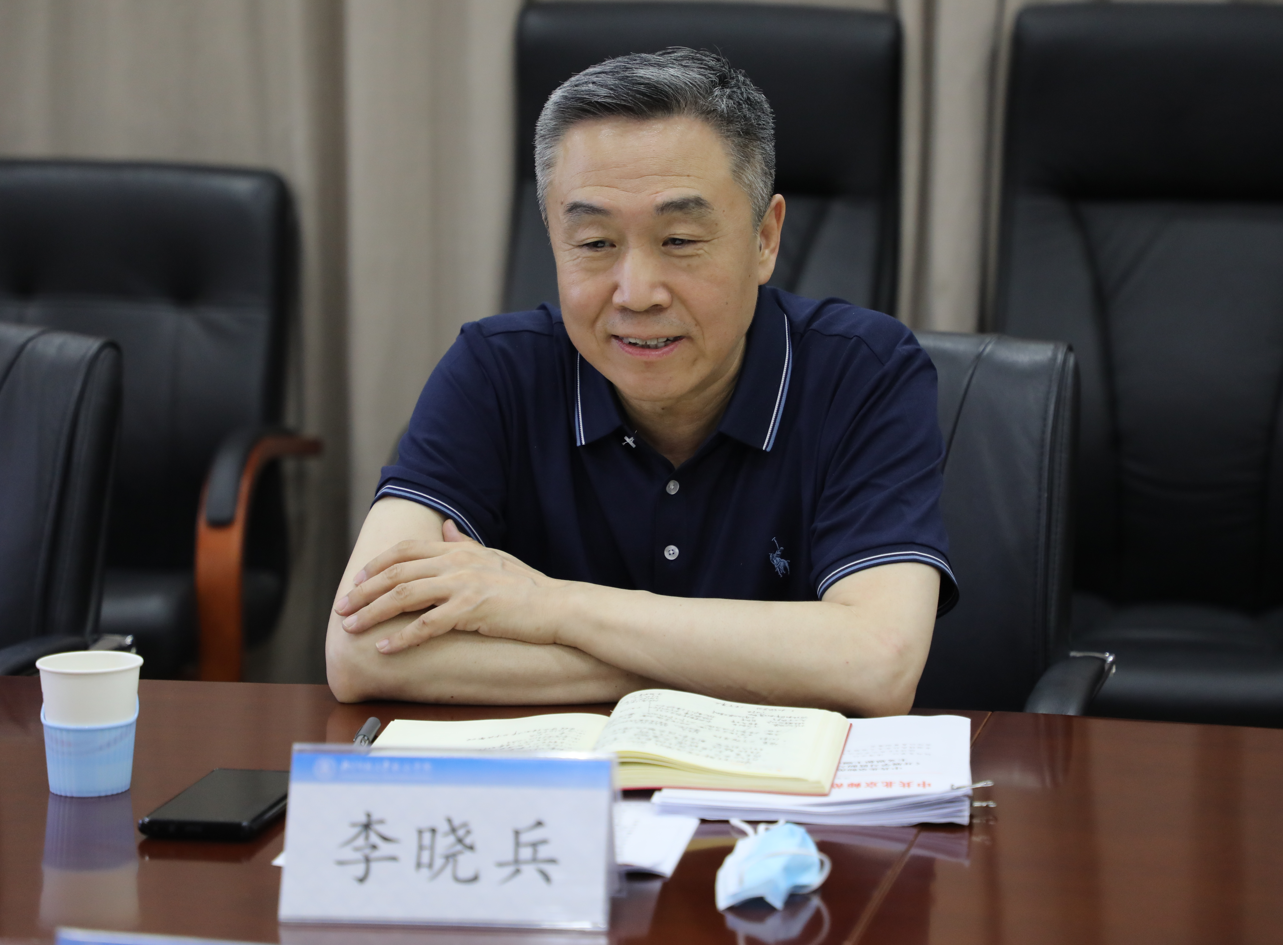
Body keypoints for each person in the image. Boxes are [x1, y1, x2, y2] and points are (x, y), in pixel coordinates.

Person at [326, 48, 956, 715]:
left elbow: (874, 661)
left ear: (765, 238)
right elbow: (363, 647)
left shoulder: (864, 369)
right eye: (595, 243)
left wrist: (550, 606)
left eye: (679, 240)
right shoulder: (494, 371)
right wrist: (708, 667)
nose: (636, 293)